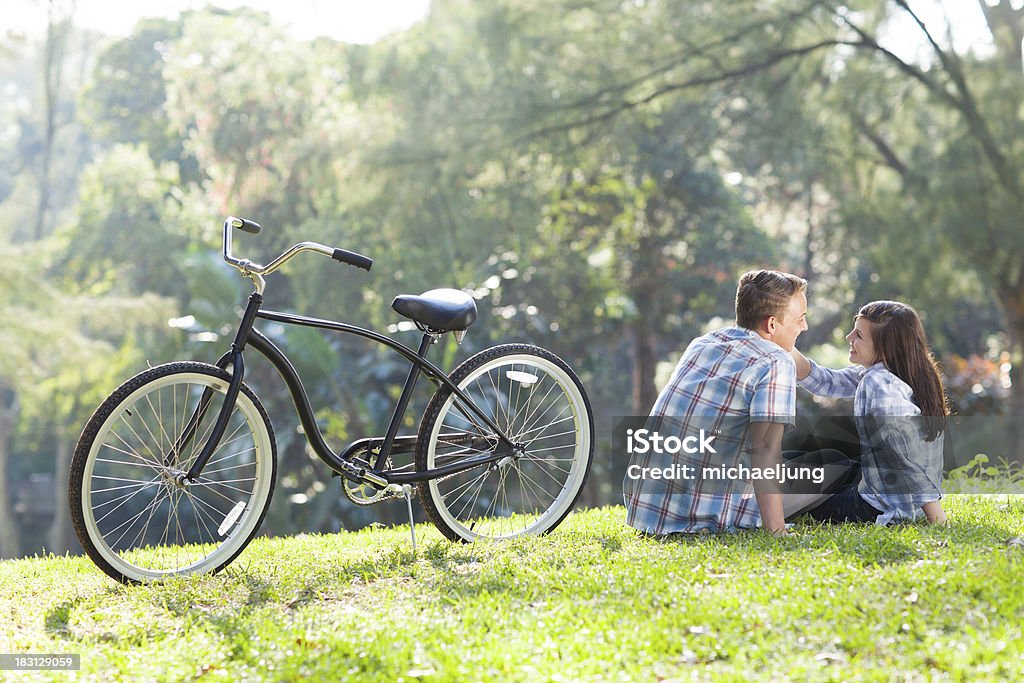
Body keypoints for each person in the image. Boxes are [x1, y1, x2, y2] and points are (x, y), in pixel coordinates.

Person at [623, 269, 808, 535]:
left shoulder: (705, 342)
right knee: (836, 466)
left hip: (647, 504)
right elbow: (765, 450)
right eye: (800, 319)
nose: (804, 327)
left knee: (799, 460)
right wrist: (777, 531)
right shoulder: (775, 361)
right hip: (700, 510)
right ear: (771, 325)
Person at [791, 300, 948, 525]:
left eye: (859, 335)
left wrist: (937, 517)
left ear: (885, 347)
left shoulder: (879, 383)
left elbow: (903, 455)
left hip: (876, 509)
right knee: (831, 463)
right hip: (898, 499)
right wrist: (784, 345)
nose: (849, 338)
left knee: (804, 480)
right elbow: (828, 382)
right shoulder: (900, 372)